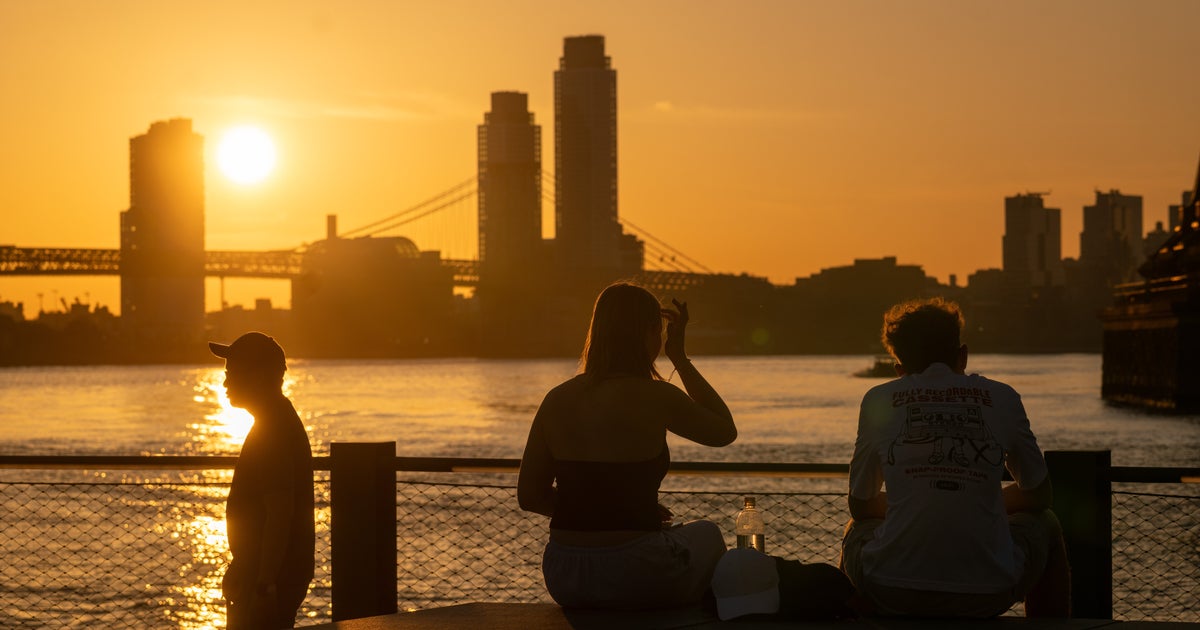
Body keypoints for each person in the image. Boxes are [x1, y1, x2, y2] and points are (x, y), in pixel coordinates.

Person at [840, 298, 1071, 618]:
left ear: (899, 370)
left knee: (857, 528)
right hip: (987, 593)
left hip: (893, 590)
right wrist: (979, 500)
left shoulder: (879, 399)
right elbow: (1040, 494)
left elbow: (861, 504)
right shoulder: (1003, 397)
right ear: (962, 355)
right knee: (1046, 522)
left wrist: (911, 501)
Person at [517, 282, 738, 610]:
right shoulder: (657, 395)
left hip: (565, 574)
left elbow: (530, 496)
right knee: (707, 534)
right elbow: (723, 431)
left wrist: (603, 509)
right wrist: (680, 358)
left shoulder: (557, 399)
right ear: (650, 332)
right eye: (659, 331)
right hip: (636, 569)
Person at [210, 331, 315, 629]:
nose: (225, 382)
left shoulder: (272, 430)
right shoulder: (276, 419)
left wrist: (264, 585)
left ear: (256, 376)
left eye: (232, 373)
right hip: (263, 575)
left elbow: (280, 513)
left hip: (267, 581)